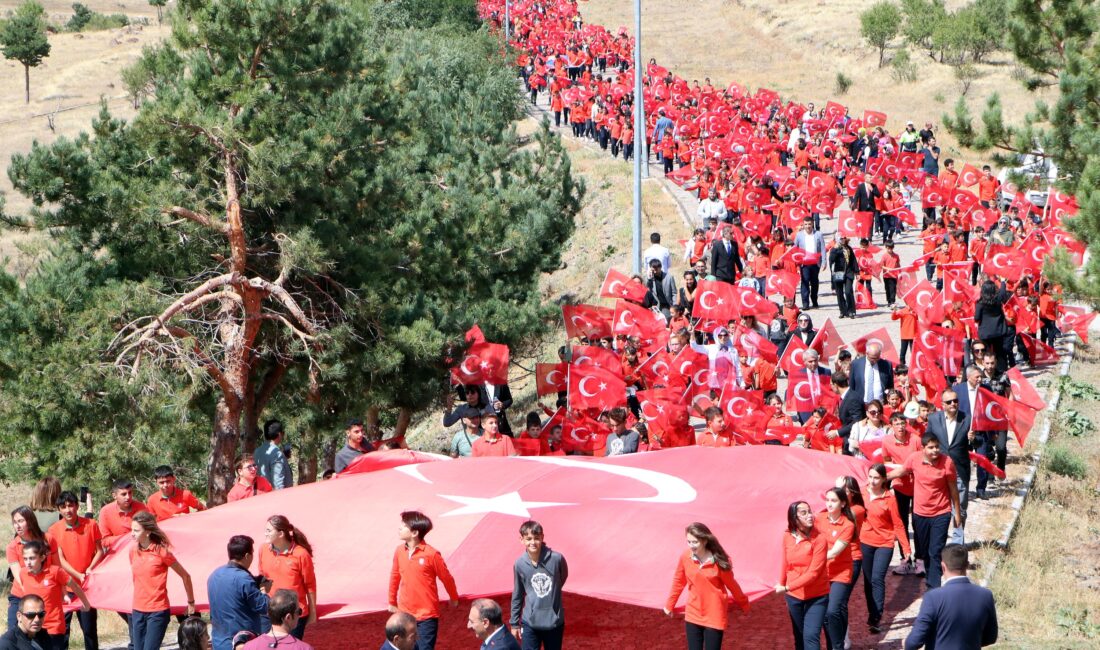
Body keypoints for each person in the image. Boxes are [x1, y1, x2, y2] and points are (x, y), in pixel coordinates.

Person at [887, 434, 961, 589]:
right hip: (920, 513)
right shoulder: (914, 459)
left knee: (935, 551)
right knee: (926, 552)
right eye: (931, 447)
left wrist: (957, 513)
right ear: (923, 448)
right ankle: (930, 578)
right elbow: (901, 471)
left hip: (941, 512)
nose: (935, 450)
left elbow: (953, 489)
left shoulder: (947, 462)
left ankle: (933, 587)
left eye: (937, 447)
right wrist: (882, 478)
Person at [664, 522, 749, 650]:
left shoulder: (719, 561)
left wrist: (744, 603)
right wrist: (670, 604)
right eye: (689, 542)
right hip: (693, 614)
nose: (691, 546)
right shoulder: (685, 557)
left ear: (704, 541)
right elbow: (678, 581)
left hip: (714, 614)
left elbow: (732, 585)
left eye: (695, 542)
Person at [388, 511, 460, 650]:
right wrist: (392, 601)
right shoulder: (399, 551)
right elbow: (395, 575)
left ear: (414, 533)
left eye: (403, 526)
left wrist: (454, 597)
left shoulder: (432, 554)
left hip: (426, 617)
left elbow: (446, 578)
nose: (399, 528)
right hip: (404, 614)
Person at [904, 545, 998, 650]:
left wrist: (907, 643)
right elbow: (991, 637)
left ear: (943, 566)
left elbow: (914, 642)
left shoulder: (933, 597)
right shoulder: (985, 595)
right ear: (967, 565)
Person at [128, 511, 196, 650]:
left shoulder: (162, 552)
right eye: (131, 529)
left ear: (147, 532)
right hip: (137, 610)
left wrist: (191, 602)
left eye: (136, 530)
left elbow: (185, 576)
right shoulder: (133, 551)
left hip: (157, 611)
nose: (132, 533)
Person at [49, 491, 103, 650]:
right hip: (64, 587)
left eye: (71, 505)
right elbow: (59, 559)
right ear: (59, 509)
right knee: (62, 630)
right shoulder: (54, 530)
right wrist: (77, 574)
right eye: (63, 507)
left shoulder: (91, 524)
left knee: (89, 629)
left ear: (77, 506)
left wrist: (90, 569)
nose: (68, 510)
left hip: (87, 587)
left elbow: (100, 551)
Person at [861, 463, 911, 634]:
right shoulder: (861, 493)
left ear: (883, 479)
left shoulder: (889, 498)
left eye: (876, 478)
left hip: (884, 543)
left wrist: (906, 549)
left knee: (877, 578)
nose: (872, 481)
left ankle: (876, 616)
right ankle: (872, 611)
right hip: (865, 541)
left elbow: (898, 524)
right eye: (870, 477)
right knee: (867, 581)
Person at [19, 539, 91, 650]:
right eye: (25, 559)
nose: (28, 562)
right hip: (32, 627)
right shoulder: (23, 573)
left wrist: (85, 603)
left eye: (32, 558)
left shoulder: (55, 572)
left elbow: (75, 586)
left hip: (53, 627)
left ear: (42, 557)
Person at [776, 501, 829, 650]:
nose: (810, 516)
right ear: (794, 518)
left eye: (809, 511)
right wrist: (782, 583)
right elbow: (785, 561)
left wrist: (787, 587)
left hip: (817, 595)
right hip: (794, 597)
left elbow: (813, 573)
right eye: (804, 513)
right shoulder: (787, 536)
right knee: (799, 637)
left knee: (811, 636)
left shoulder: (820, 539)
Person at [510, 521, 567, 650]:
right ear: (522, 540)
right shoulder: (519, 564)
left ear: (542, 537)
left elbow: (562, 578)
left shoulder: (557, 559)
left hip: (554, 623)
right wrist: (514, 623)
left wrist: (553, 592)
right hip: (530, 623)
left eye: (536, 538)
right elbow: (518, 594)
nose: (533, 542)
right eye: (528, 539)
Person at [926, 389, 973, 546]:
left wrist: (972, 439)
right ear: (942, 404)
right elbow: (926, 441)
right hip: (939, 469)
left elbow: (979, 443)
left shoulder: (967, 419)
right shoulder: (933, 419)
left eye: (955, 401)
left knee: (960, 506)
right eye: (949, 402)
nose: (953, 404)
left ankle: (957, 542)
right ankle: (939, 539)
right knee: (940, 507)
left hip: (959, 469)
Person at [259, 516, 317, 639]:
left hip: (293, 613)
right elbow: (262, 578)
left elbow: (310, 585)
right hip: (270, 611)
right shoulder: (263, 550)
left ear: (280, 534)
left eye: (269, 531)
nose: (265, 534)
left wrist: (313, 613)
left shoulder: (301, 554)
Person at [208, 535, 269, 650]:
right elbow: (264, 607)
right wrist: (264, 591)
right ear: (247, 556)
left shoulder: (215, 575)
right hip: (240, 643)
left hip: (219, 641)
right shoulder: (244, 579)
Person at [815, 489, 857, 650]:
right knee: (825, 614)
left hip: (841, 573)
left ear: (843, 503)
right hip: (822, 573)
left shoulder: (847, 525)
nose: (829, 504)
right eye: (827, 500)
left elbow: (834, 553)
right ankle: (833, 645)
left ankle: (838, 645)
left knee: (833, 611)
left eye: (834, 501)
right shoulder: (819, 519)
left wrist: (811, 559)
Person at [6, 506, 53, 632]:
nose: (17, 526)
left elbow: (55, 568)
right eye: (15, 522)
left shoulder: (47, 539)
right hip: (20, 595)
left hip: (44, 593)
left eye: (21, 521)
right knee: (13, 631)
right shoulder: (12, 547)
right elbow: (19, 578)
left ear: (30, 521)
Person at [241, 590, 313, 650]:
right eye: (299, 612)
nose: (299, 616)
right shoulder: (303, 648)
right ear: (288, 617)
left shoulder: (249, 647)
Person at [98, 480, 149, 550]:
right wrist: (126, 538)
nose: (128, 497)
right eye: (124, 494)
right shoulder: (105, 512)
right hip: (119, 551)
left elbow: (150, 530)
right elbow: (104, 540)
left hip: (142, 548)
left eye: (130, 493)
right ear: (114, 496)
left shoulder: (141, 507)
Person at [793, 218, 825, 310]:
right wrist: (796, 261)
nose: (808, 226)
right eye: (806, 224)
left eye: (809, 224)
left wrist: (824, 262)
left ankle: (814, 300)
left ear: (812, 224)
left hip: (815, 263)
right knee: (805, 282)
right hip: (804, 263)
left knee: (814, 282)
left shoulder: (818, 234)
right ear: (803, 225)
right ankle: (805, 303)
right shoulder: (799, 235)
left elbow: (822, 248)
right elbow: (795, 248)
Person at [254, 419, 293, 489]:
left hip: (261, 494)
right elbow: (278, 483)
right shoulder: (277, 454)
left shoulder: (257, 451)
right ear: (280, 434)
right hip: (277, 496)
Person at [828, 235, 857, 319]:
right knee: (839, 293)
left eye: (844, 238)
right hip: (838, 273)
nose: (843, 240)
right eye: (841, 238)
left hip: (848, 272)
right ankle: (843, 311)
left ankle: (851, 310)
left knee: (848, 291)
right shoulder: (834, 249)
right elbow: (831, 260)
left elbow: (853, 260)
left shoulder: (848, 248)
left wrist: (856, 271)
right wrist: (835, 249)